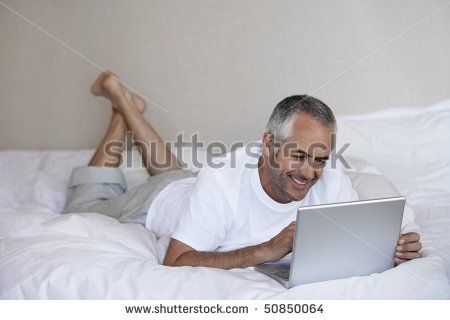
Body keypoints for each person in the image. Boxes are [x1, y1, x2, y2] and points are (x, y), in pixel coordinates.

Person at [64, 72, 422, 269]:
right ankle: (120, 114)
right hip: (157, 202)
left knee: (176, 174)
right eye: (298, 155)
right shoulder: (222, 180)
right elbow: (175, 261)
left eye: (320, 159)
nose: (310, 173)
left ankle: (130, 109)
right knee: (82, 208)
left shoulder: (330, 178)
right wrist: (264, 250)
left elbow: (356, 233)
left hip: (191, 189)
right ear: (268, 144)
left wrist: (393, 246)